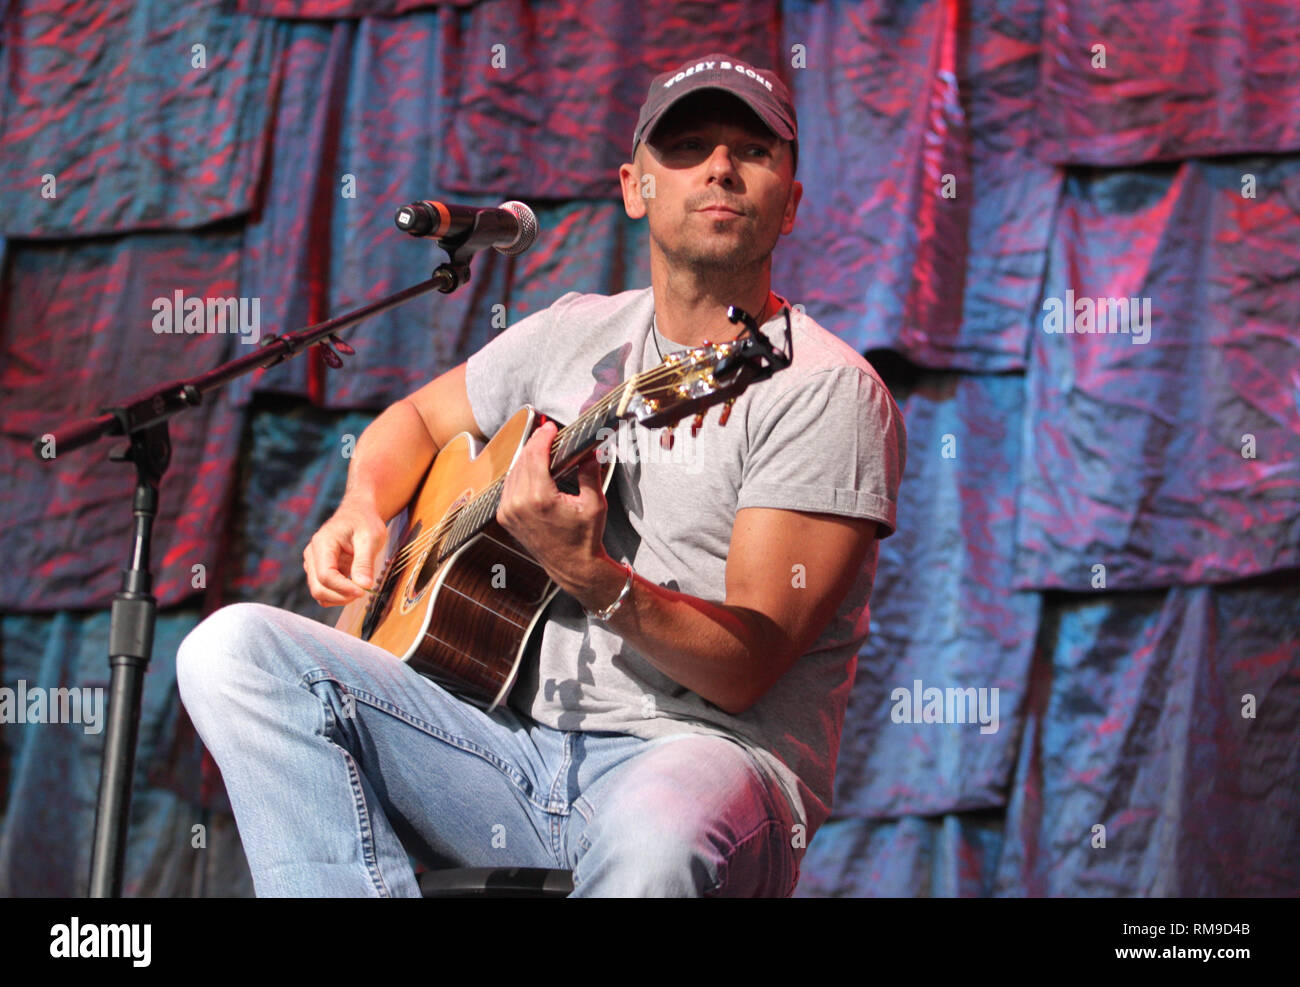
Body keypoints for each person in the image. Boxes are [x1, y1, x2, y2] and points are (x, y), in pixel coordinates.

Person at [176, 53, 906, 897]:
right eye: (689, 147)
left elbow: (746, 665)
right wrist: (363, 505)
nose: (719, 168)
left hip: (703, 755)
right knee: (232, 650)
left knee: (657, 838)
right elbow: (414, 421)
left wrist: (587, 574)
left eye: (752, 150)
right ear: (634, 187)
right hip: (502, 752)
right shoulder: (574, 332)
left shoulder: (820, 388)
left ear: (792, 201)